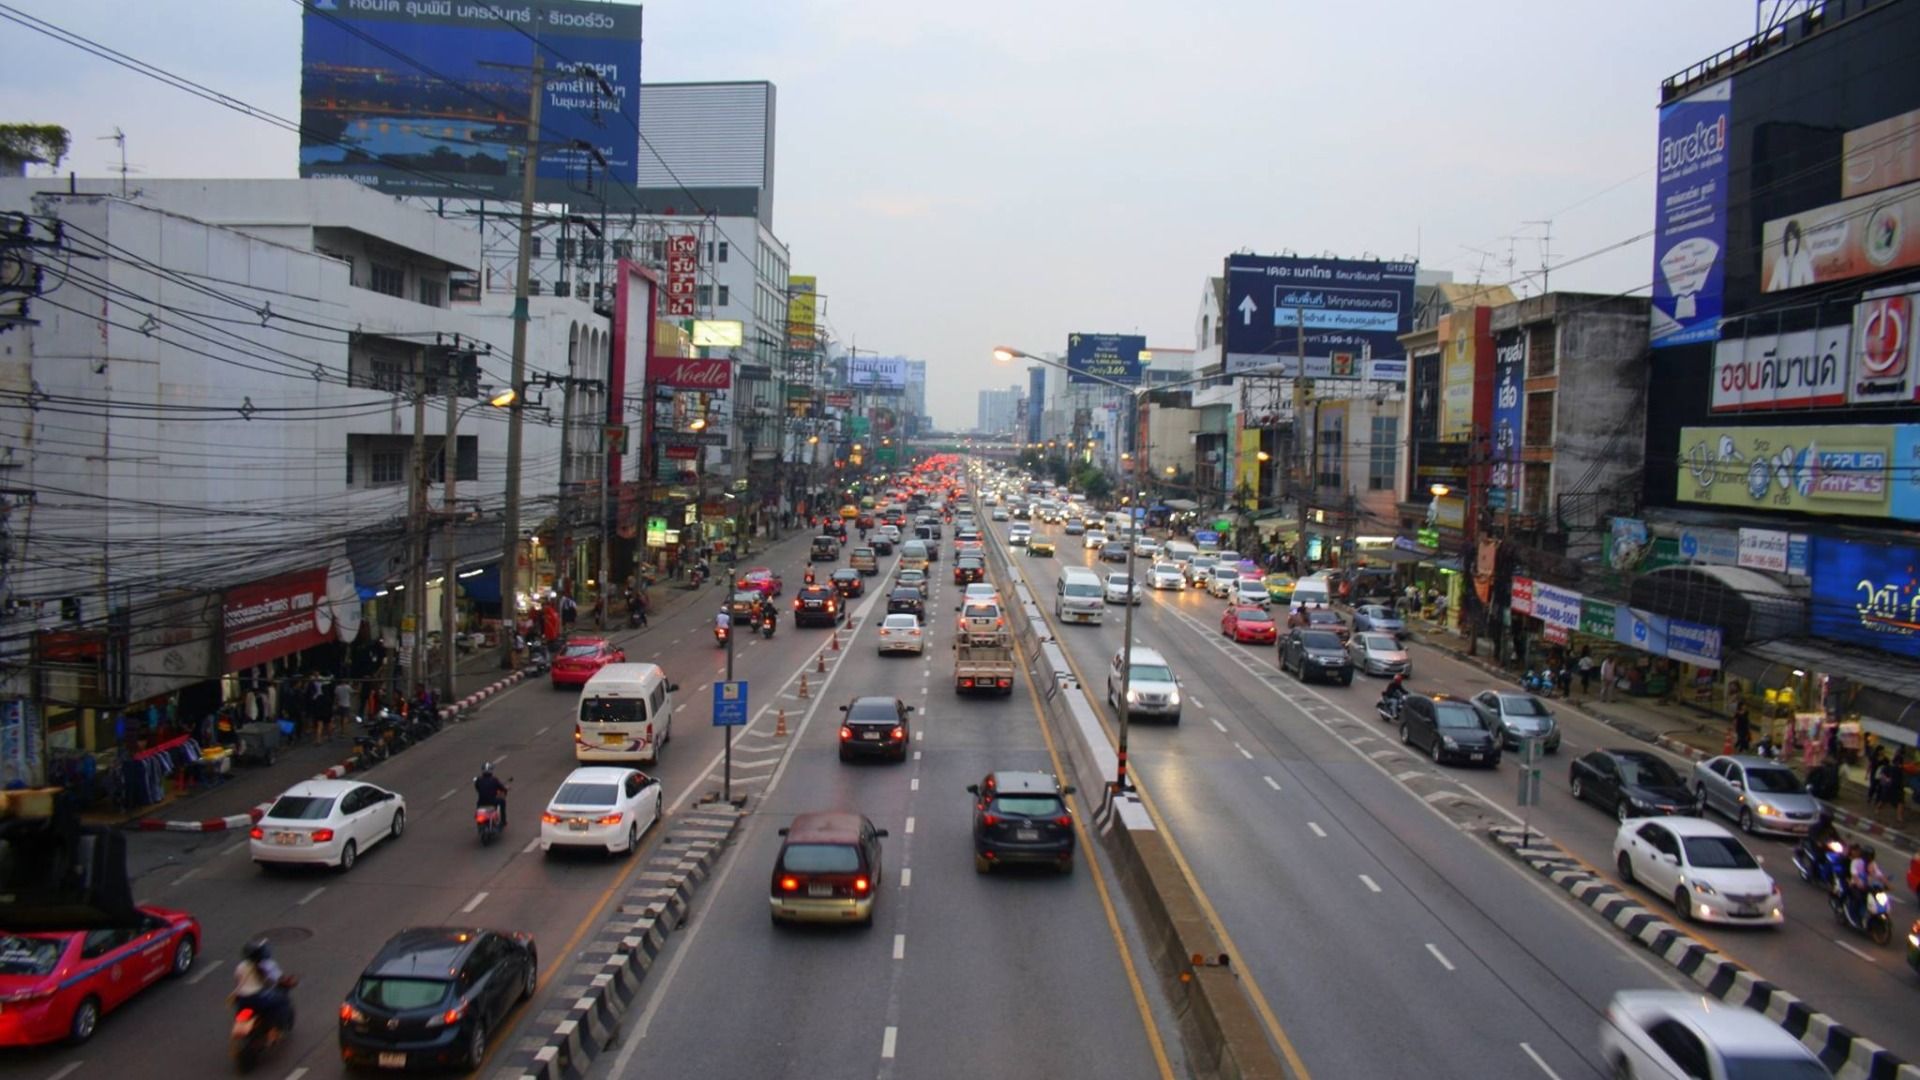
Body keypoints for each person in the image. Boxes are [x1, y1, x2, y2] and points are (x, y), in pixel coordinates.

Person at [233, 938, 293, 1033]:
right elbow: (280, 979)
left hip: (241, 998)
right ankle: (278, 1027)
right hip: (258, 998)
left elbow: (237, 979)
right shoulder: (266, 965)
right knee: (282, 1000)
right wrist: (289, 982)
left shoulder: (241, 966)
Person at [1846, 844, 1888, 925]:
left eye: (1870, 856)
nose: (1869, 858)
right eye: (1868, 856)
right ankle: (1855, 916)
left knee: (1878, 897)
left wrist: (1886, 883)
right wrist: (1859, 883)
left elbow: (1878, 874)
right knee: (1859, 899)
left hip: (1867, 886)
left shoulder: (1872, 864)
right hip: (1856, 886)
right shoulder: (1856, 862)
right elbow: (1854, 875)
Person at [474, 762, 509, 828]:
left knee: (478, 807)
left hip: (481, 802)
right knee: (502, 801)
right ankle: (503, 821)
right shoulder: (494, 780)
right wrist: (505, 790)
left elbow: (477, 789)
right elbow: (502, 788)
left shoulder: (478, 780)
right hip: (492, 801)